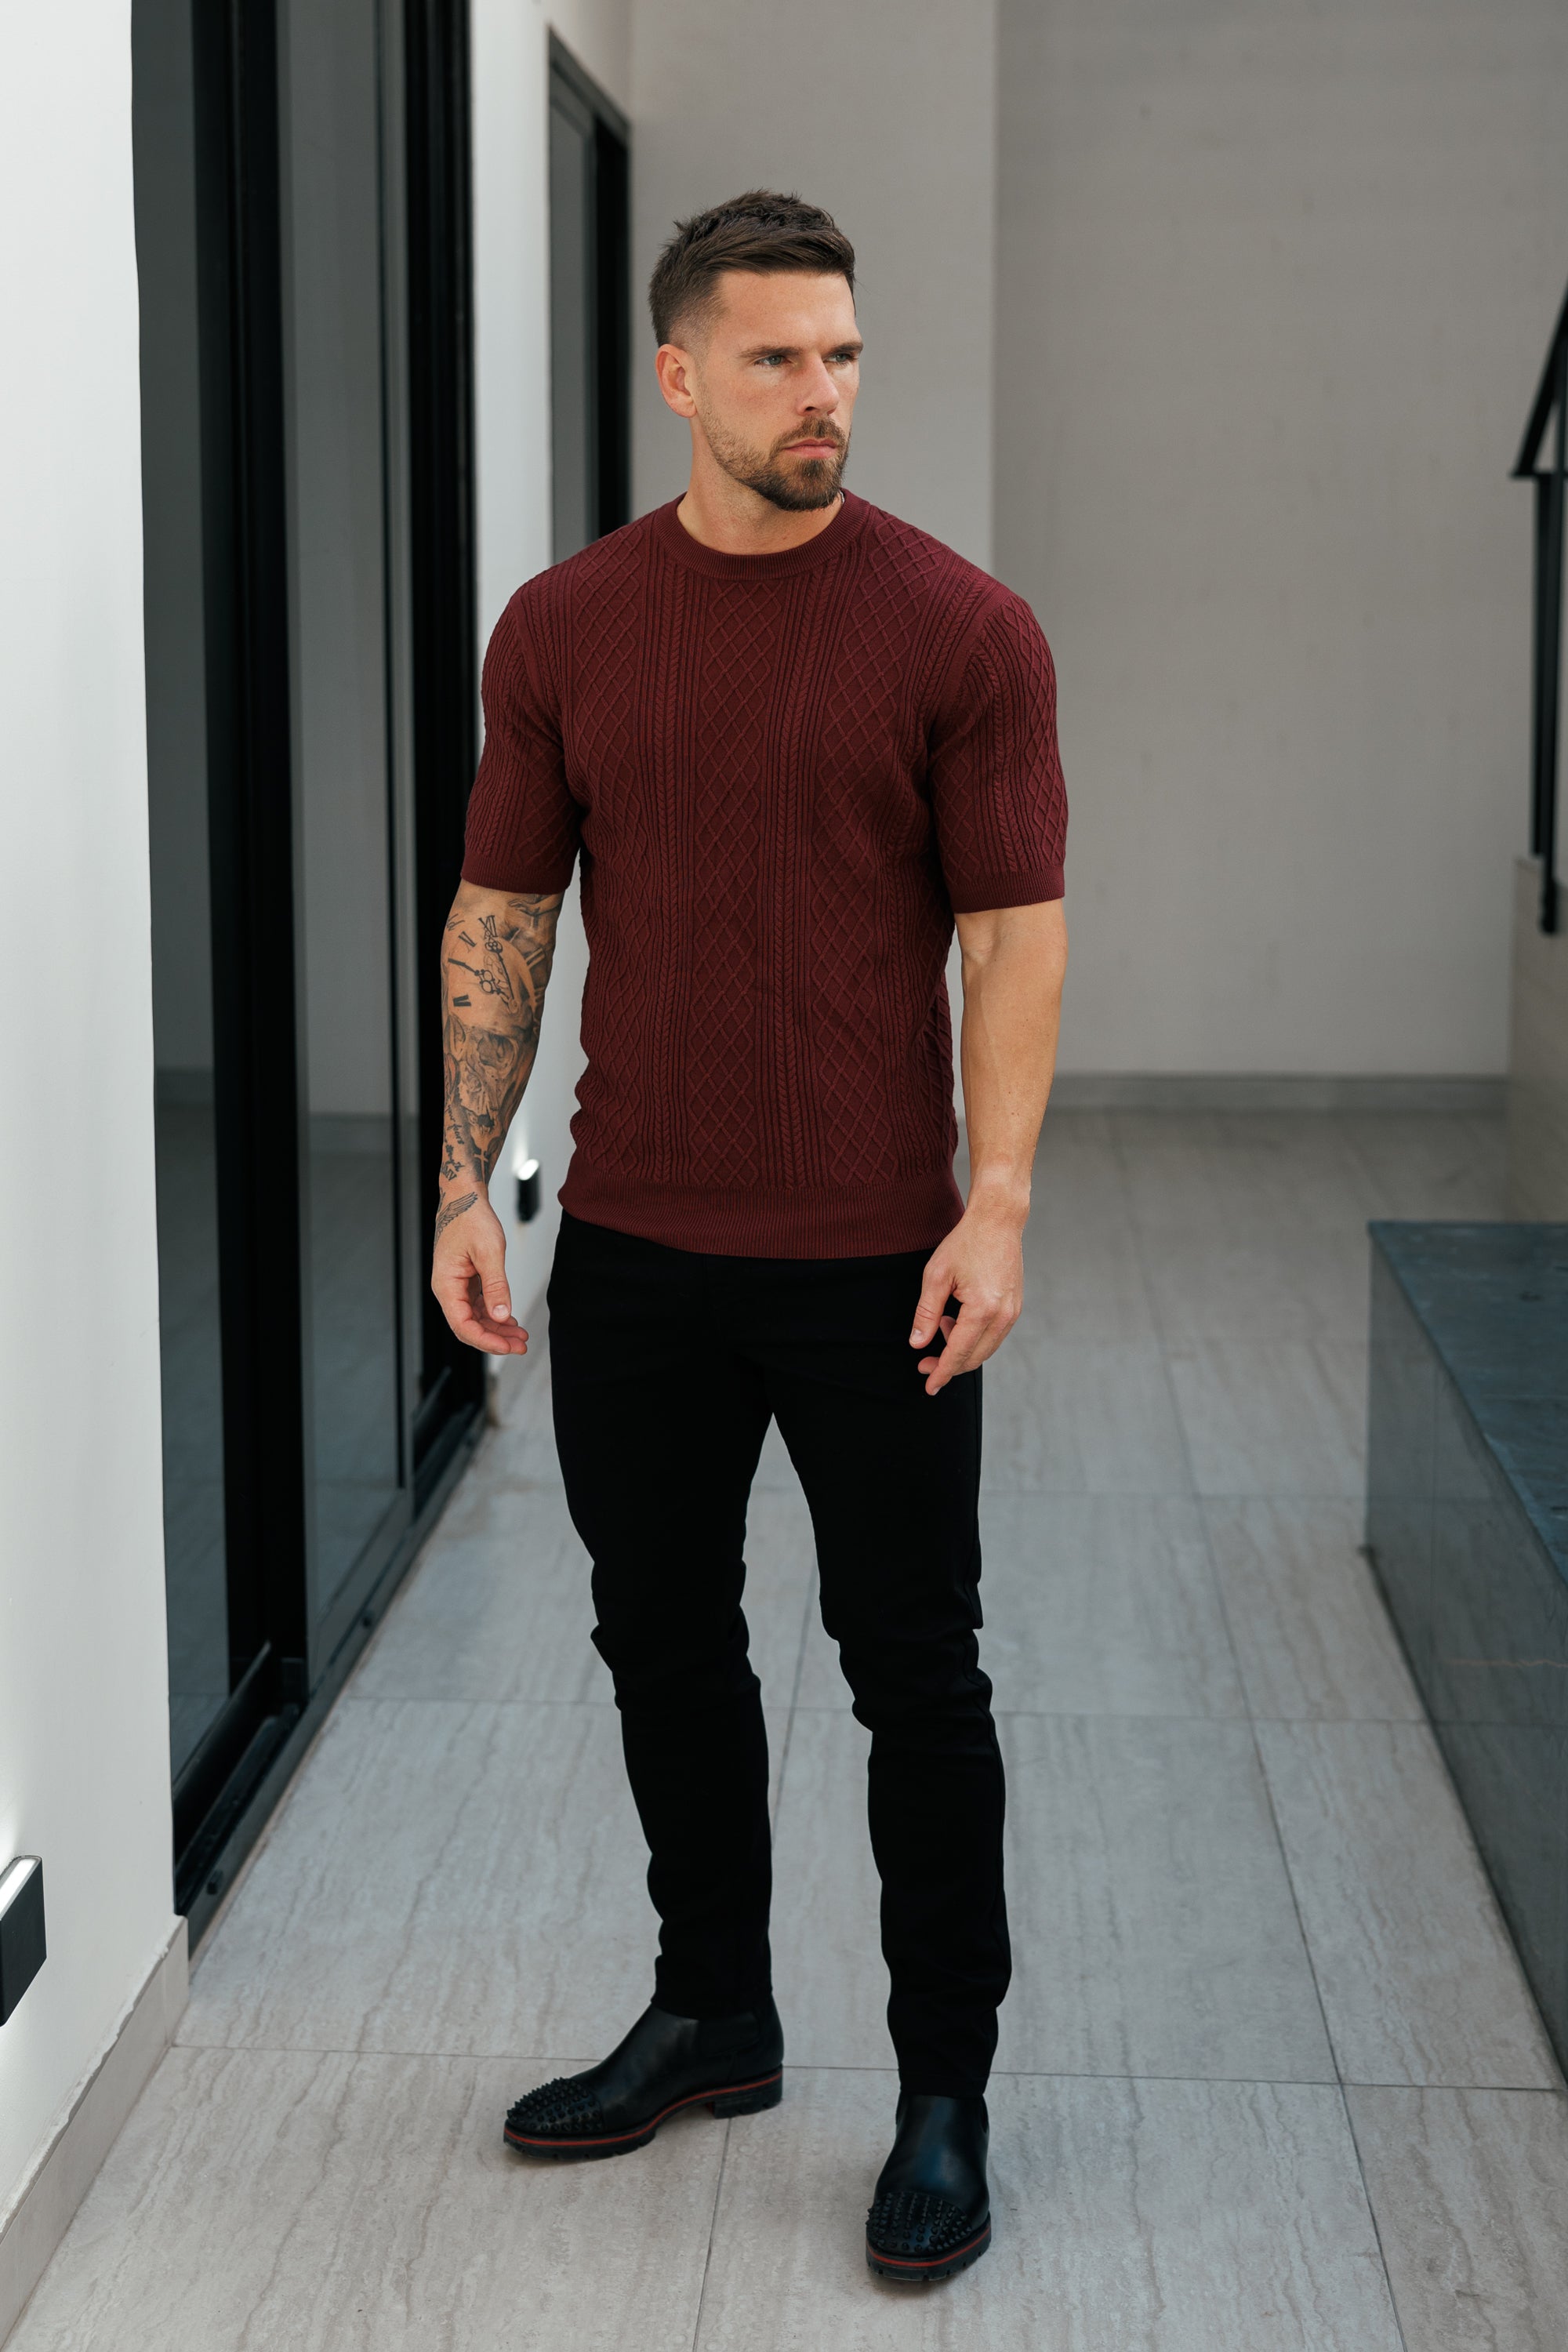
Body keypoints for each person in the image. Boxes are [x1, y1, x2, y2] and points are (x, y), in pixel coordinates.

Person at [431, 191, 1067, 2285]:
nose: (827, 396)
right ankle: (714, 2010)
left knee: (915, 1678)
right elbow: (503, 916)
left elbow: (1012, 935)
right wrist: (465, 1175)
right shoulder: (567, 629)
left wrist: (995, 1199)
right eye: (782, 358)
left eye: (848, 355)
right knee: (662, 1637)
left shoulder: (963, 630)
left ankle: (946, 2095)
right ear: (681, 373)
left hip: (878, 1253)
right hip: (635, 1243)